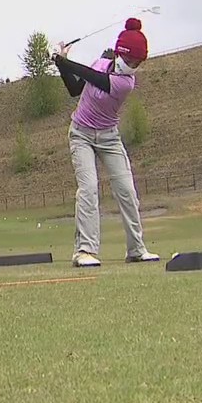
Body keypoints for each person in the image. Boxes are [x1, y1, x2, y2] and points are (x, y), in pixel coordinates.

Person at [52, 17, 161, 268]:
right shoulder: (101, 63)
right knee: (88, 189)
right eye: (131, 60)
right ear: (120, 54)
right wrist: (62, 65)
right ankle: (85, 251)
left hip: (109, 138)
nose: (134, 66)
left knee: (126, 190)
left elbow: (93, 77)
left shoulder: (125, 83)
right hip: (80, 134)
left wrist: (63, 60)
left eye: (138, 63)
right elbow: (74, 89)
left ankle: (136, 249)